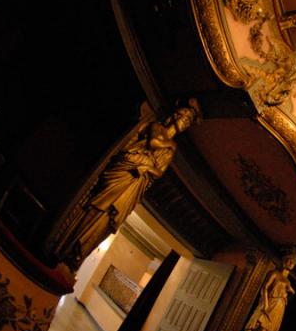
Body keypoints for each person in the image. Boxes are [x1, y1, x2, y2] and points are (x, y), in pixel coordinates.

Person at [52, 100, 201, 271]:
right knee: (98, 204)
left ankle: (79, 254)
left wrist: (147, 166)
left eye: (188, 121)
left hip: (136, 183)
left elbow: (159, 172)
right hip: (125, 171)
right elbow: (153, 143)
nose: (185, 122)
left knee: (110, 217)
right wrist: (166, 147)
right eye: (184, 117)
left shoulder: (170, 150)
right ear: (176, 115)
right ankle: (67, 243)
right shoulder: (158, 128)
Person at [231, 251, 296, 331]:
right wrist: (265, 303)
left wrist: (290, 292)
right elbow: (265, 288)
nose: (290, 263)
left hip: (280, 307)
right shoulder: (274, 273)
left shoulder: (288, 282)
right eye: (288, 260)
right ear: (283, 261)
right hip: (270, 303)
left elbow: (290, 295)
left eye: (293, 262)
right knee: (258, 330)